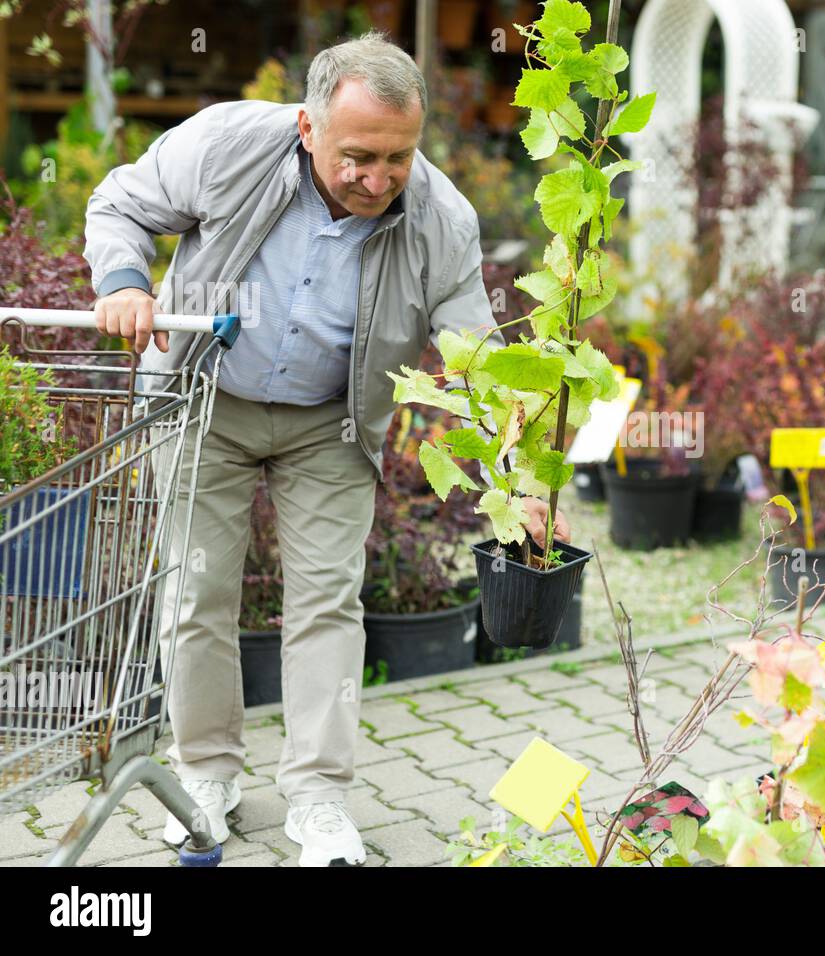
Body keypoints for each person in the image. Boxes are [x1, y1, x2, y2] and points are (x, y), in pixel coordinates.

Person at [83, 32, 567, 867]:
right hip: (206, 400)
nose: (378, 180)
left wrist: (514, 473)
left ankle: (318, 799)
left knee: (327, 606)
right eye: (358, 157)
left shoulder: (440, 219)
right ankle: (206, 776)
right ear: (307, 128)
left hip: (332, 423)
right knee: (197, 595)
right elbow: (119, 203)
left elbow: (475, 360)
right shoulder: (226, 145)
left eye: (398, 158)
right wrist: (125, 283)